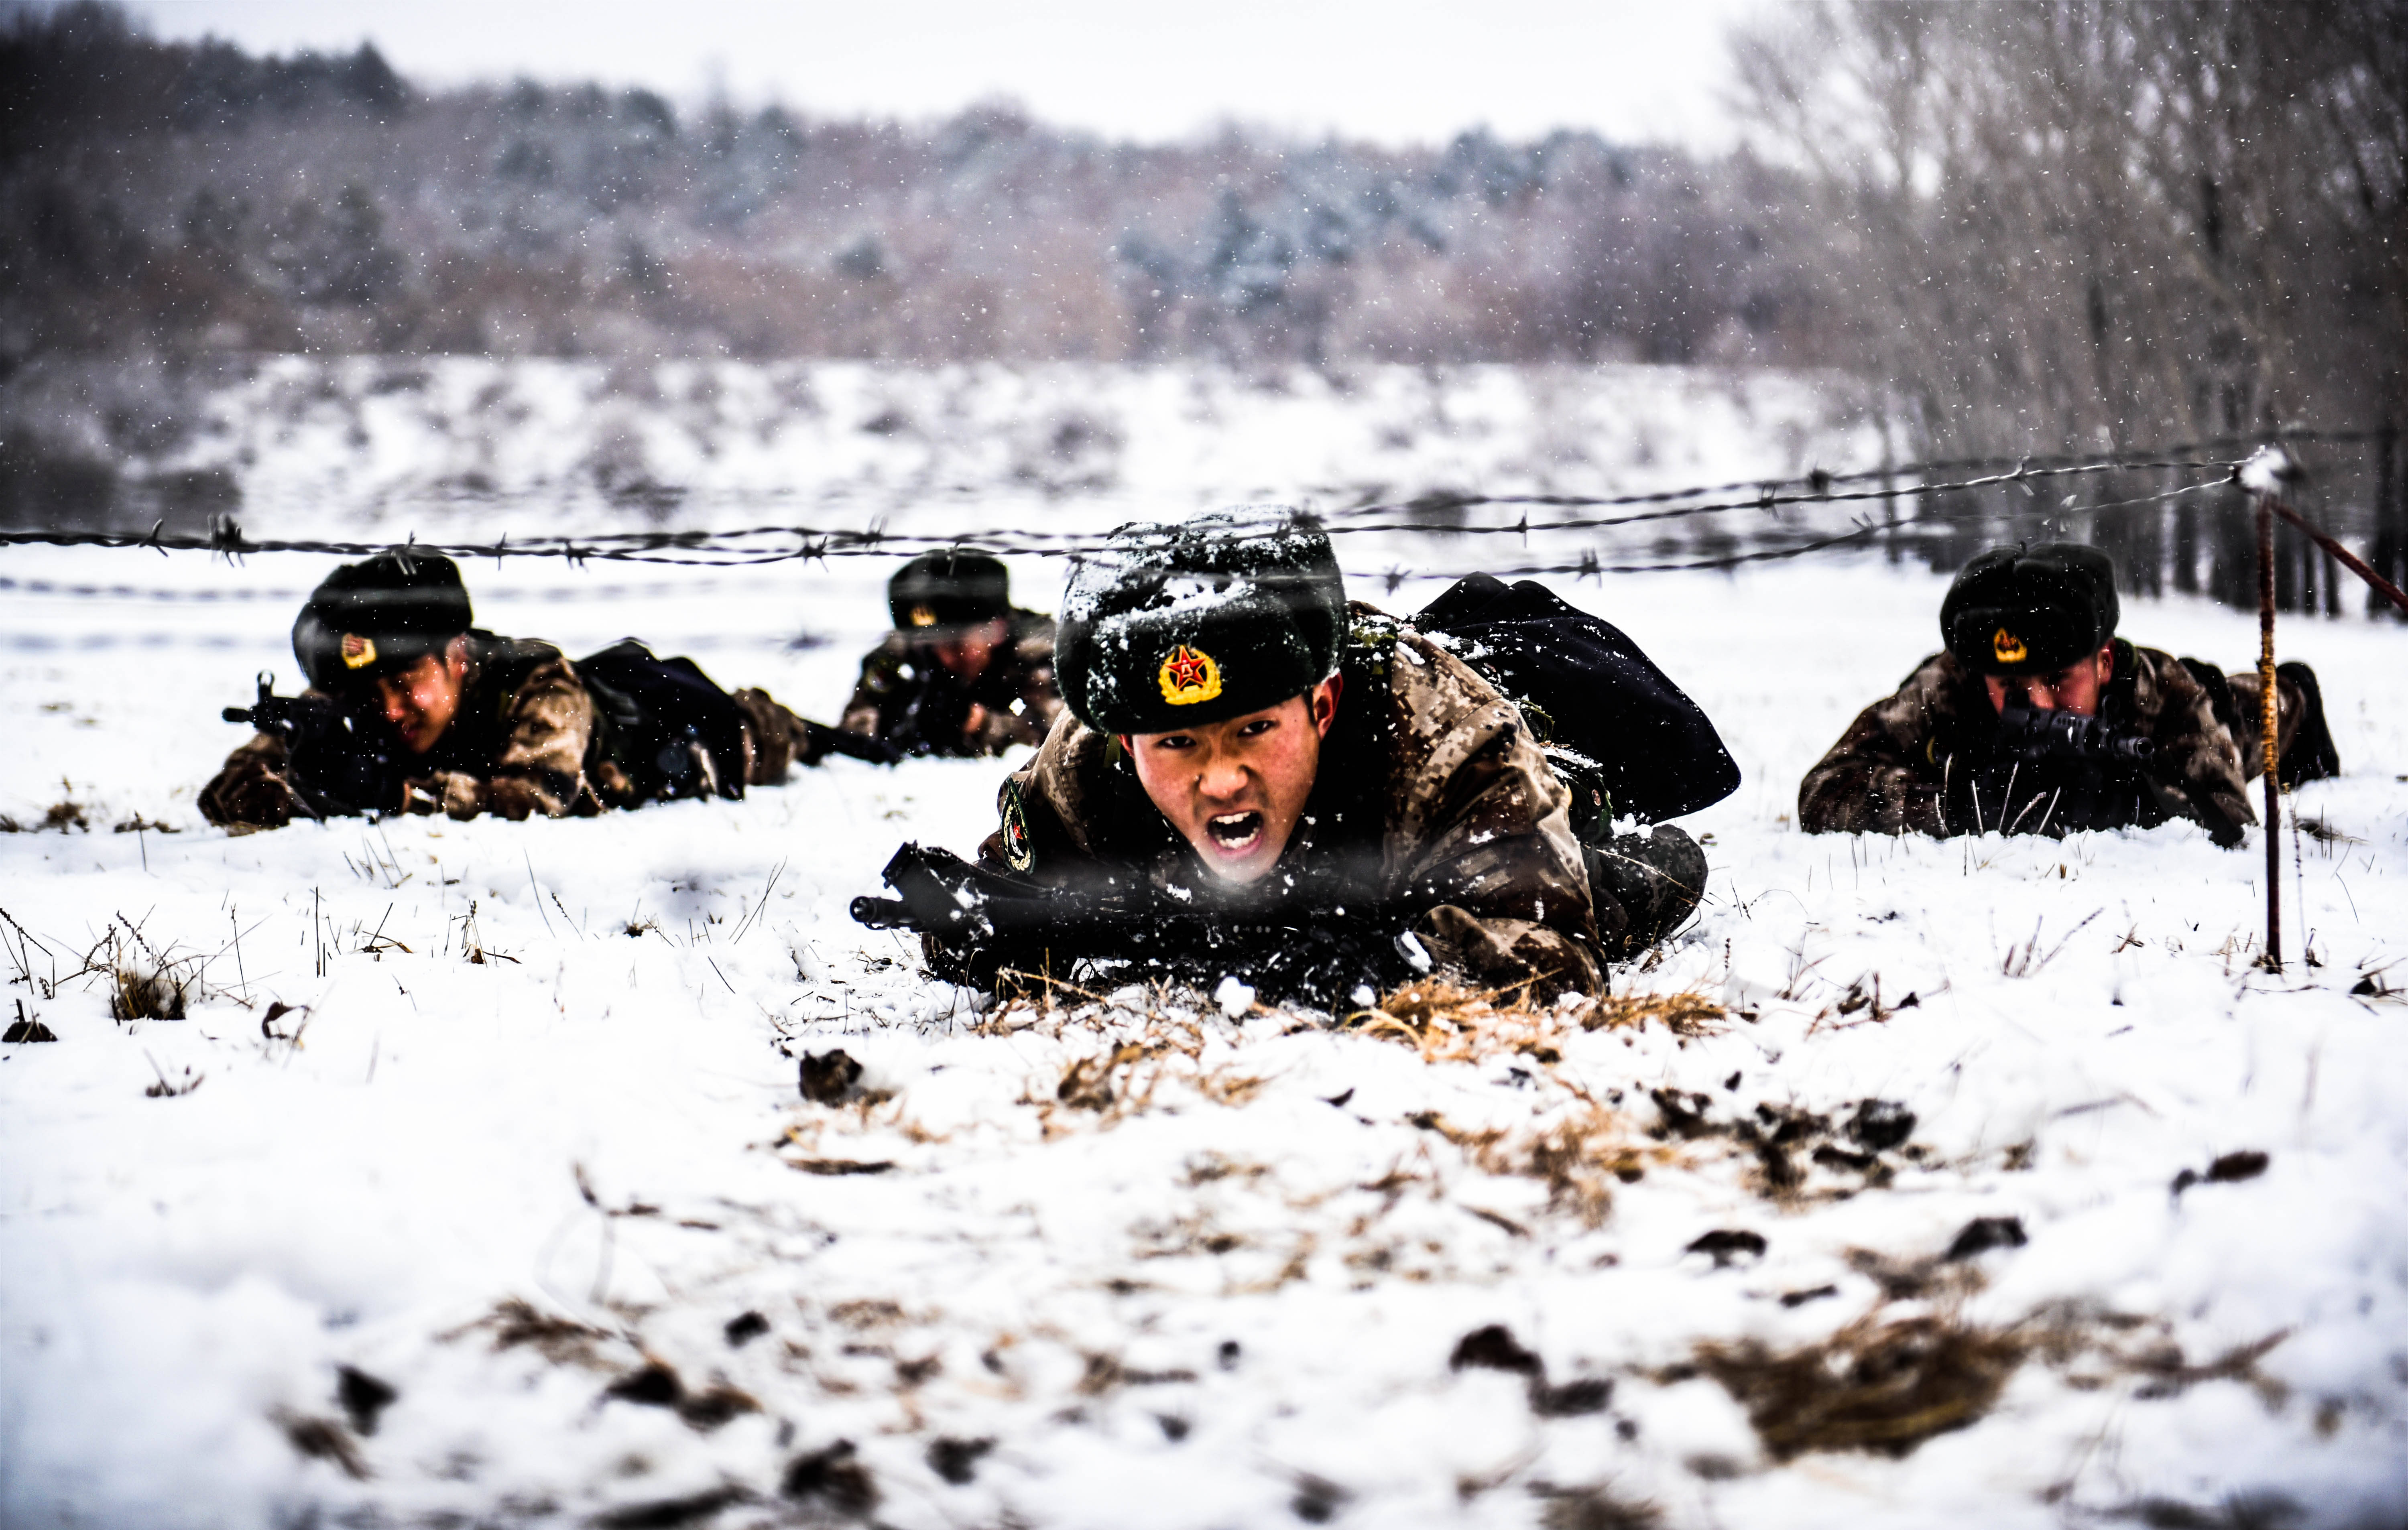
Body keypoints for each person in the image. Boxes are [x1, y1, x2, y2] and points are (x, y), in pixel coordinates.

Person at [855, 512, 1731, 1006]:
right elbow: (993, 908)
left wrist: (1363, 957)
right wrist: (979, 931)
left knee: (1611, 879)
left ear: (1322, 704)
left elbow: (1544, 962)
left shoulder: (1446, 740)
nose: (1221, 776)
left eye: (1252, 732)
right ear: (1127, 742)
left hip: (1525, 732)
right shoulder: (1087, 767)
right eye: (1177, 744)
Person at [200, 549, 843, 829]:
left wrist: (391, 793)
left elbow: (536, 798)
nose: (390, 710)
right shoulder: (351, 698)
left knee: (773, 731)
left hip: (670, 724)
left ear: (456, 657)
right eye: (372, 696)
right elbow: (227, 790)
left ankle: (834, 734)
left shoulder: (539, 684)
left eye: (405, 684)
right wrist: (303, 784)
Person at [1798, 543, 2339, 844]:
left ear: (2103, 663)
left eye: (2059, 681)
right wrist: (1950, 805)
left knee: (2262, 710)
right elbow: (1824, 790)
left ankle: (2299, 692)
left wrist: (2127, 800)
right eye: (2008, 685)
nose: (2036, 704)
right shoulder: (1950, 685)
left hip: (2220, 716)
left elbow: (2229, 819)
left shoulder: (2164, 693)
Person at [838, 551, 1063, 757]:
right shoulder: (906, 649)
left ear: (998, 629)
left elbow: (1059, 736)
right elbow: (855, 726)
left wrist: (979, 723)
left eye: (956, 644)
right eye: (930, 643)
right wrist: (900, 719)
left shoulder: (1037, 649)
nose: (943, 657)